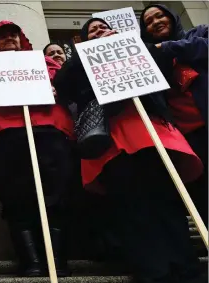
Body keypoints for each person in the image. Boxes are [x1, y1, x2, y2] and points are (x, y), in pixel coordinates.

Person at [53, 18, 205, 283]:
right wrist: (89, 51)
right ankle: (155, 271)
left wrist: (130, 44)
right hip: (114, 139)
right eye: (92, 30)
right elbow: (64, 84)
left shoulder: (138, 47)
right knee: (132, 205)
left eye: (103, 27)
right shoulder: (77, 64)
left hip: (153, 132)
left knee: (169, 202)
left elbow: (163, 68)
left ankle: (186, 268)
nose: (100, 31)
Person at [0, 21, 74, 277]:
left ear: (23, 40)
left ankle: (57, 261)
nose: (10, 39)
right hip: (7, 135)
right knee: (16, 197)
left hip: (48, 130)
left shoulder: (46, 63)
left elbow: (68, 83)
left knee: (56, 194)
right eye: (3, 37)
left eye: (14, 35)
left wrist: (58, 88)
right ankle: (31, 262)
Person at [140, 4, 208, 225]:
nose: (155, 22)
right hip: (188, 140)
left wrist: (167, 47)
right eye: (148, 22)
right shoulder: (152, 60)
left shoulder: (198, 33)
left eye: (159, 16)